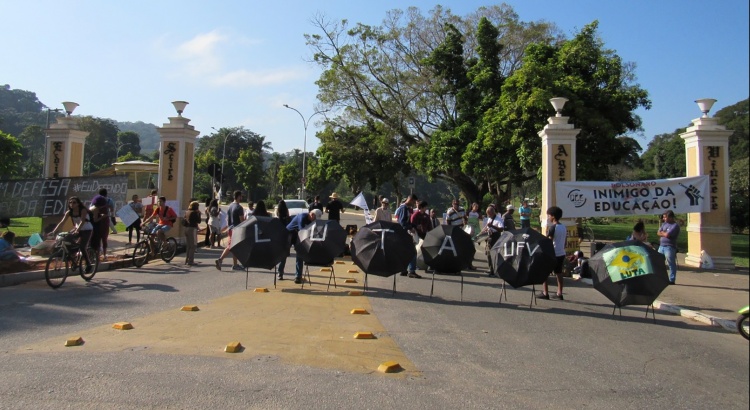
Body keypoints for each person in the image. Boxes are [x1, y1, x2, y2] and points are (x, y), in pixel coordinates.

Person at [50, 196, 94, 273]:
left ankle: (88, 264)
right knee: (66, 239)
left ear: (78, 204)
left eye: (74, 202)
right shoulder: (69, 212)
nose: (72, 204)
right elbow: (62, 222)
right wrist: (54, 231)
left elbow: (82, 221)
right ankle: (73, 256)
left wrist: (77, 230)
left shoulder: (82, 210)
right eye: (70, 202)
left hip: (87, 229)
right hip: (77, 229)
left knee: (83, 247)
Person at [285, 209, 322, 284]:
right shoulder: (302, 217)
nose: (315, 221)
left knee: (300, 255)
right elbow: (302, 231)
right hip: (289, 234)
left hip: (298, 236)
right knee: (284, 253)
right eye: (315, 219)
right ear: (312, 215)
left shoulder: (312, 221)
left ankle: (298, 277)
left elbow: (313, 231)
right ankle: (280, 273)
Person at [539, 206, 567, 300]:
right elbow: (565, 241)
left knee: (544, 273)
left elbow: (549, 241)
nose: (548, 218)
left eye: (549, 216)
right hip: (561, 252)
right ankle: (559, 293)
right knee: (559, 273)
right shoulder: (563, 227)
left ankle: (545, 292)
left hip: (552, 253)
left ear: (553, 216)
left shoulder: (553, 228)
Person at [214, 190, 245, 271]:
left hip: (230, 228)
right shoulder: (239, 207)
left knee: (235, 247)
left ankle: (235, 265)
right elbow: (242, 221)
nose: (241, 198)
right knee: (231, 246)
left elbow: (228, 219)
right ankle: (220, 260)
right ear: (238, 197)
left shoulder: (230, 206)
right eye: (241, 196)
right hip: (236, 229)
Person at [395, 194, 421, 278]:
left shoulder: (408, 209)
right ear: (409, 199)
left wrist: (414, 226)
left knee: (405, 252)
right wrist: (410, 228)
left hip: (406, 233)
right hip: (404, 233)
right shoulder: (404, 208)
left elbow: (408, 221)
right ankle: (411, 271)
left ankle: (403, 269)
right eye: (413, 202)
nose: (414, 204)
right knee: (413, 252)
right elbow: (402, 223)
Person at [657, 210, 680, 285]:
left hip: (669, 247)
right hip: (661, 246)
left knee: (671, 263)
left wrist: (663, 233)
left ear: (670, 217)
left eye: (665, 217)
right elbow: (658, 232)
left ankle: (672, 279)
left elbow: (668, 235)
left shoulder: (675, 226)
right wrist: (663, 233)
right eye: (663, 217)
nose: (663, 218)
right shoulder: (664, 224)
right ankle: (660, 278)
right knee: (659, 262)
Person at [481, 204, 504, 277]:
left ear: (493, 212)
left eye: (489, 214)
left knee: (494, 254)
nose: (489, 216)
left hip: (495, 237)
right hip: (489, 236)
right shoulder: (490, 218)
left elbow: (501, 229)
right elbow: (488, 226)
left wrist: (492, 226)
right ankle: (490, 269)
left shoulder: (498, 219)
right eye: (488, 214)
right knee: (488, 253)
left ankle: (494, 271)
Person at [89, 194, 110, 260]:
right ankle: (97, 257)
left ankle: (93, 256)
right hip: (96, 227)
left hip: (92, 226)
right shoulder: (96, 209)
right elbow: (95, 220)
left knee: (93, 242)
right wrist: (102, 217)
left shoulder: (91, 208)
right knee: (97, 243)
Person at [275, 199, 292, 280]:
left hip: (278, 237)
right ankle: (280, 272)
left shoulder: (277, 219)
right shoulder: (287, 219)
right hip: (286, 237)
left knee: (278, 254)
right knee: (284, 256)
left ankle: (278, 270)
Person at [183, 201, 202, 266]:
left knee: (188, 245)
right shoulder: (194, 213)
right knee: (193, 245)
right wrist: (199, 214)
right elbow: (199, 221)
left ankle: (187, 259)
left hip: (186, 229)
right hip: (192, 229)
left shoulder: (187, 212)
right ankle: (191, 261)